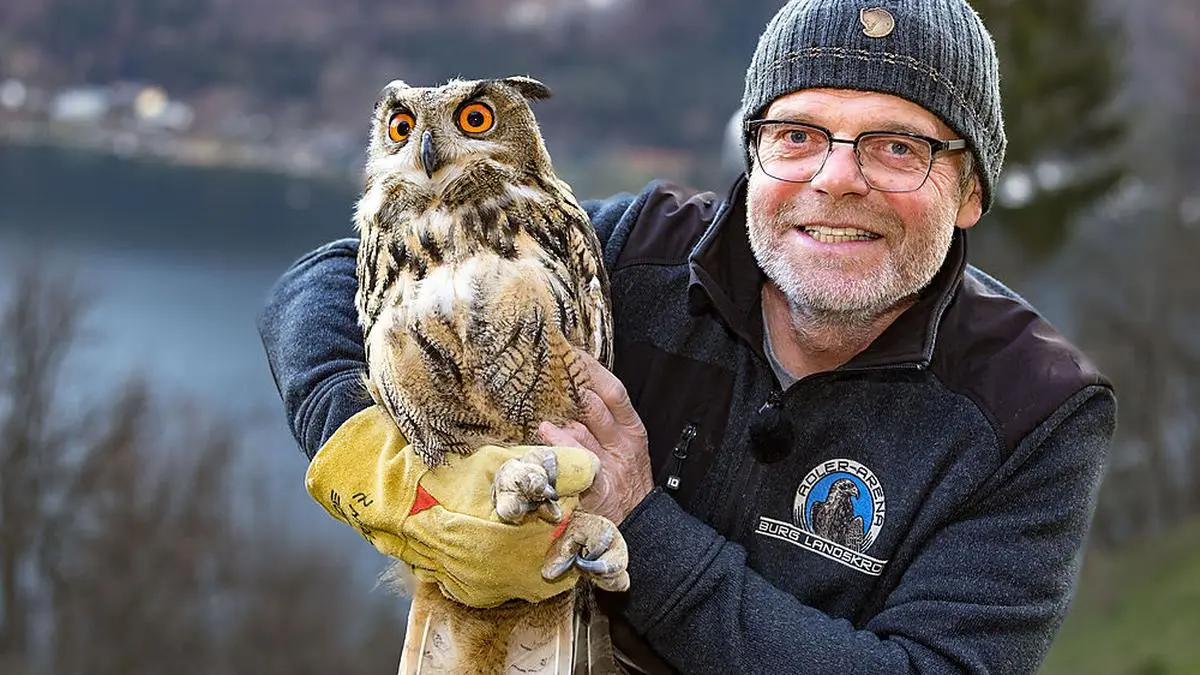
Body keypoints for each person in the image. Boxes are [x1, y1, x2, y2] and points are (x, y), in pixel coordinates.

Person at [258, 0, 1116, 672]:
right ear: (754, 156)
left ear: (969, 191)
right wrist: (379, 458)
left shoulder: (1031, 411)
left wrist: (640, 525)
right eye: (798, 136)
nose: (836, 177)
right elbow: (327, 279)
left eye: (896, 147)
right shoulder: (644, 249)